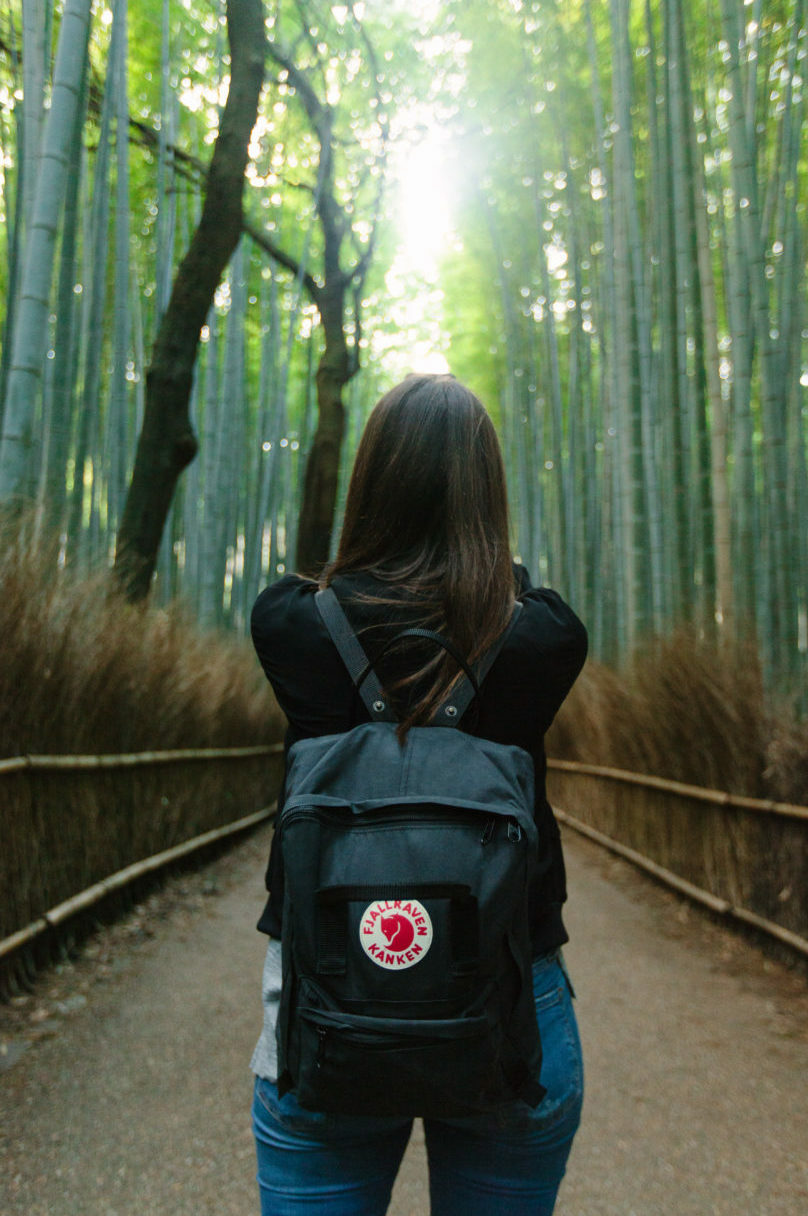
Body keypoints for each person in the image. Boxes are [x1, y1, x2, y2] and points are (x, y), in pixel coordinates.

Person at [249, 372, 587, 1216]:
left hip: (326, 1003)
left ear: (369, 487)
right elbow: (530, 595)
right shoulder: (541, 638)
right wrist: (479, 564)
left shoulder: (291, 626)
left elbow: (305, 589)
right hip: (511, 1002)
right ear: (488, 495)